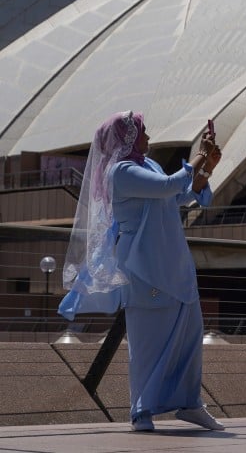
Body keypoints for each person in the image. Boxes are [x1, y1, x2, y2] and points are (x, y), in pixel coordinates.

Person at [59, 111, 224, 432]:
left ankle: (190, 404)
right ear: (127, 137)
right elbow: (168, 186)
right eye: (143, 132)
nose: (148, 137)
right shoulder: (120, 172)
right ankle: (141, 411)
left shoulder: (147, 165)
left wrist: (205, 170)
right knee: (147, 342)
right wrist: (199, 155)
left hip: (172, 258)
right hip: (143, 265)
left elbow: (179, 195)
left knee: (188, 334)